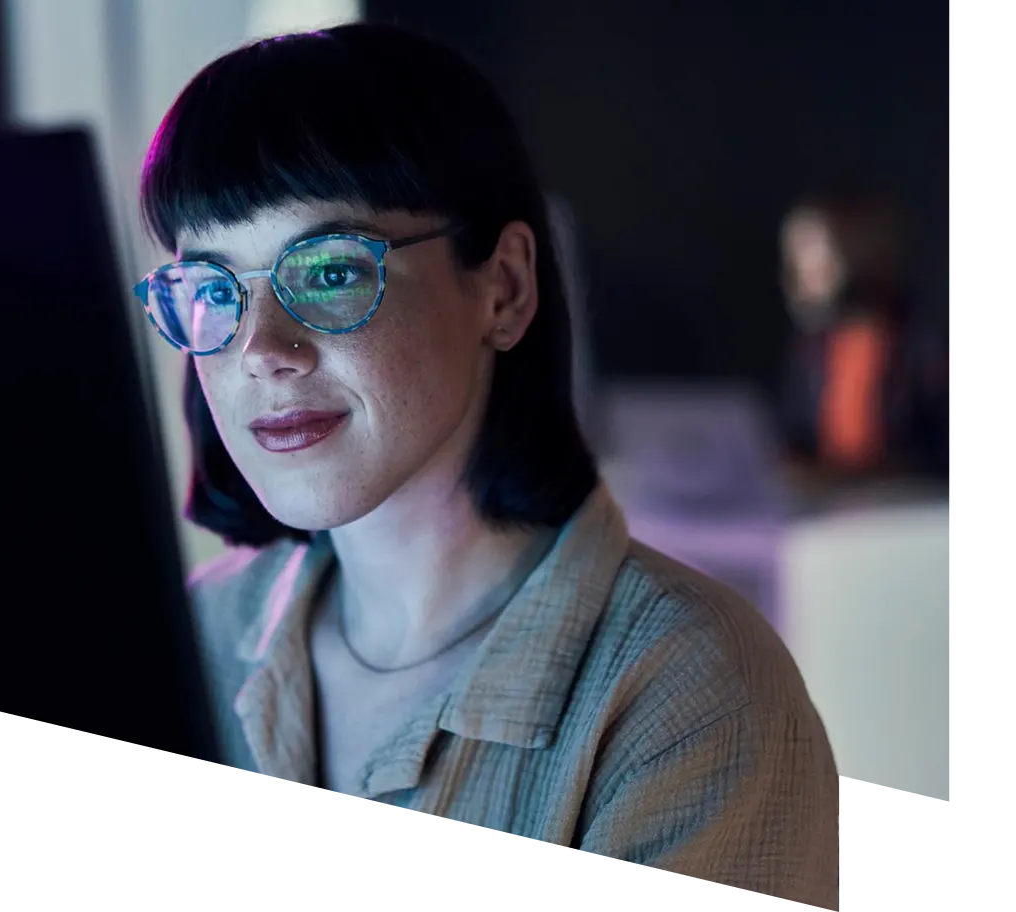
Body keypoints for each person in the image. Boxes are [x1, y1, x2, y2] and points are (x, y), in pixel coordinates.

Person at [135, 23, 838, 906]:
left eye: (327, 271)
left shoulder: (686, 695)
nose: (261, 350)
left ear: (502, 288)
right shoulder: (189, 643)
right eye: (211, 289)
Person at [778, 191, 951, 479]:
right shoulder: (811, 348)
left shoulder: (927, 343)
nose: (799, 272)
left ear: (863, 251)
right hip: (834, 512)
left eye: (811, 252)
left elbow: (941, 451)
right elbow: (796, 439)